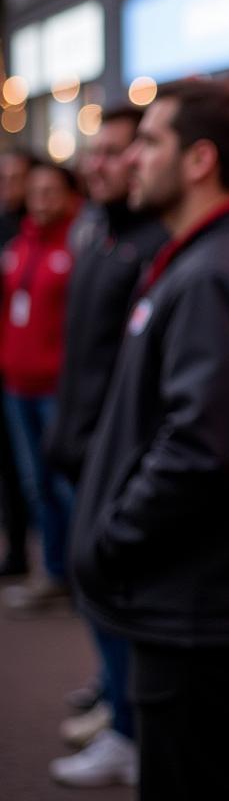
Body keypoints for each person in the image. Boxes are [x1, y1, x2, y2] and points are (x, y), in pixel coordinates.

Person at [69, 78, 229, 801]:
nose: (132, 161)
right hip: (213, 594)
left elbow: (204, 447)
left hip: (196, 602)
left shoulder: (219, 269)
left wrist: (110, 539)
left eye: (151, 142)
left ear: (198, 161)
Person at [42, 104, 167, 788]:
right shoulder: (102, 234)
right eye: (100, 151)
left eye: (118, 150)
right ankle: (117, 704)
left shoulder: (151, 247)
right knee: (98, 600)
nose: (102, 163)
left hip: (111, 459)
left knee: (118, 600)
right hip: (80, 449)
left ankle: (128, 726)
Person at [1, 161, 79, 611]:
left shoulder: (76, 247)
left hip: (56, 388)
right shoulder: (17, 245)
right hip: (18, 385)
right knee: (36, 485)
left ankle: (78, 575)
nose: (42, 201)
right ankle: (52, 570)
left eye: (51, 191)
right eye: (36, 192)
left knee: (66, 484)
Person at [0, 149, 33, 578]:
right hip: (11, 370)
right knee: (13, 471)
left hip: (43, 379)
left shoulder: (37, 235)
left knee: (38, 476)